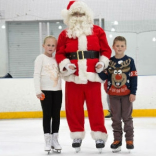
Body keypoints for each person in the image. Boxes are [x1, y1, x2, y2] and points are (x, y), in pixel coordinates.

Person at [55, 0, 112, 152]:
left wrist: (102, 63)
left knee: (96, 107)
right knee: (73, 108)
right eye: (75, 14)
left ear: (87, 15)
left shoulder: (98, 31)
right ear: (70, 16)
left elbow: (106, 51)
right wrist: (66, 65)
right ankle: (77, 135)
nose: (79, 17)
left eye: (81, 14)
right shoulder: (64, 34)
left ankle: (99, 135)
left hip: (92, 75)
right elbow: (59, 53)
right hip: (73, 76)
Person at [98, 36, 137, 152]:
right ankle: (117, 140)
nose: (119, 48)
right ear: (113, 47)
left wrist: (133, 92)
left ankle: (129, 140)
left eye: (122, 46)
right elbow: (104, 76)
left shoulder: (130, 61)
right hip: (113, 95)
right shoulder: (109, 62)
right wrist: (98, 69)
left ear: (125, 47)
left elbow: (134, 77)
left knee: (127, 118)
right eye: (117, 45)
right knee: (115, 118)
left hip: (126, 95)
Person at [33, 36, 62, 152]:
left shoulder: (57, 59)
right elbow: (36, 75)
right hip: (45, 91)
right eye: (48, 45)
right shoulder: (40, 58)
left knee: (56, 115)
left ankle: (55, 139)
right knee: (47, 115)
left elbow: (63, 72)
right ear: (43, 46)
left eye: (53, 45)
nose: (50, 47)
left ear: (56, 47)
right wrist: (38, 91)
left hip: (58, 91)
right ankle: (48, 140)